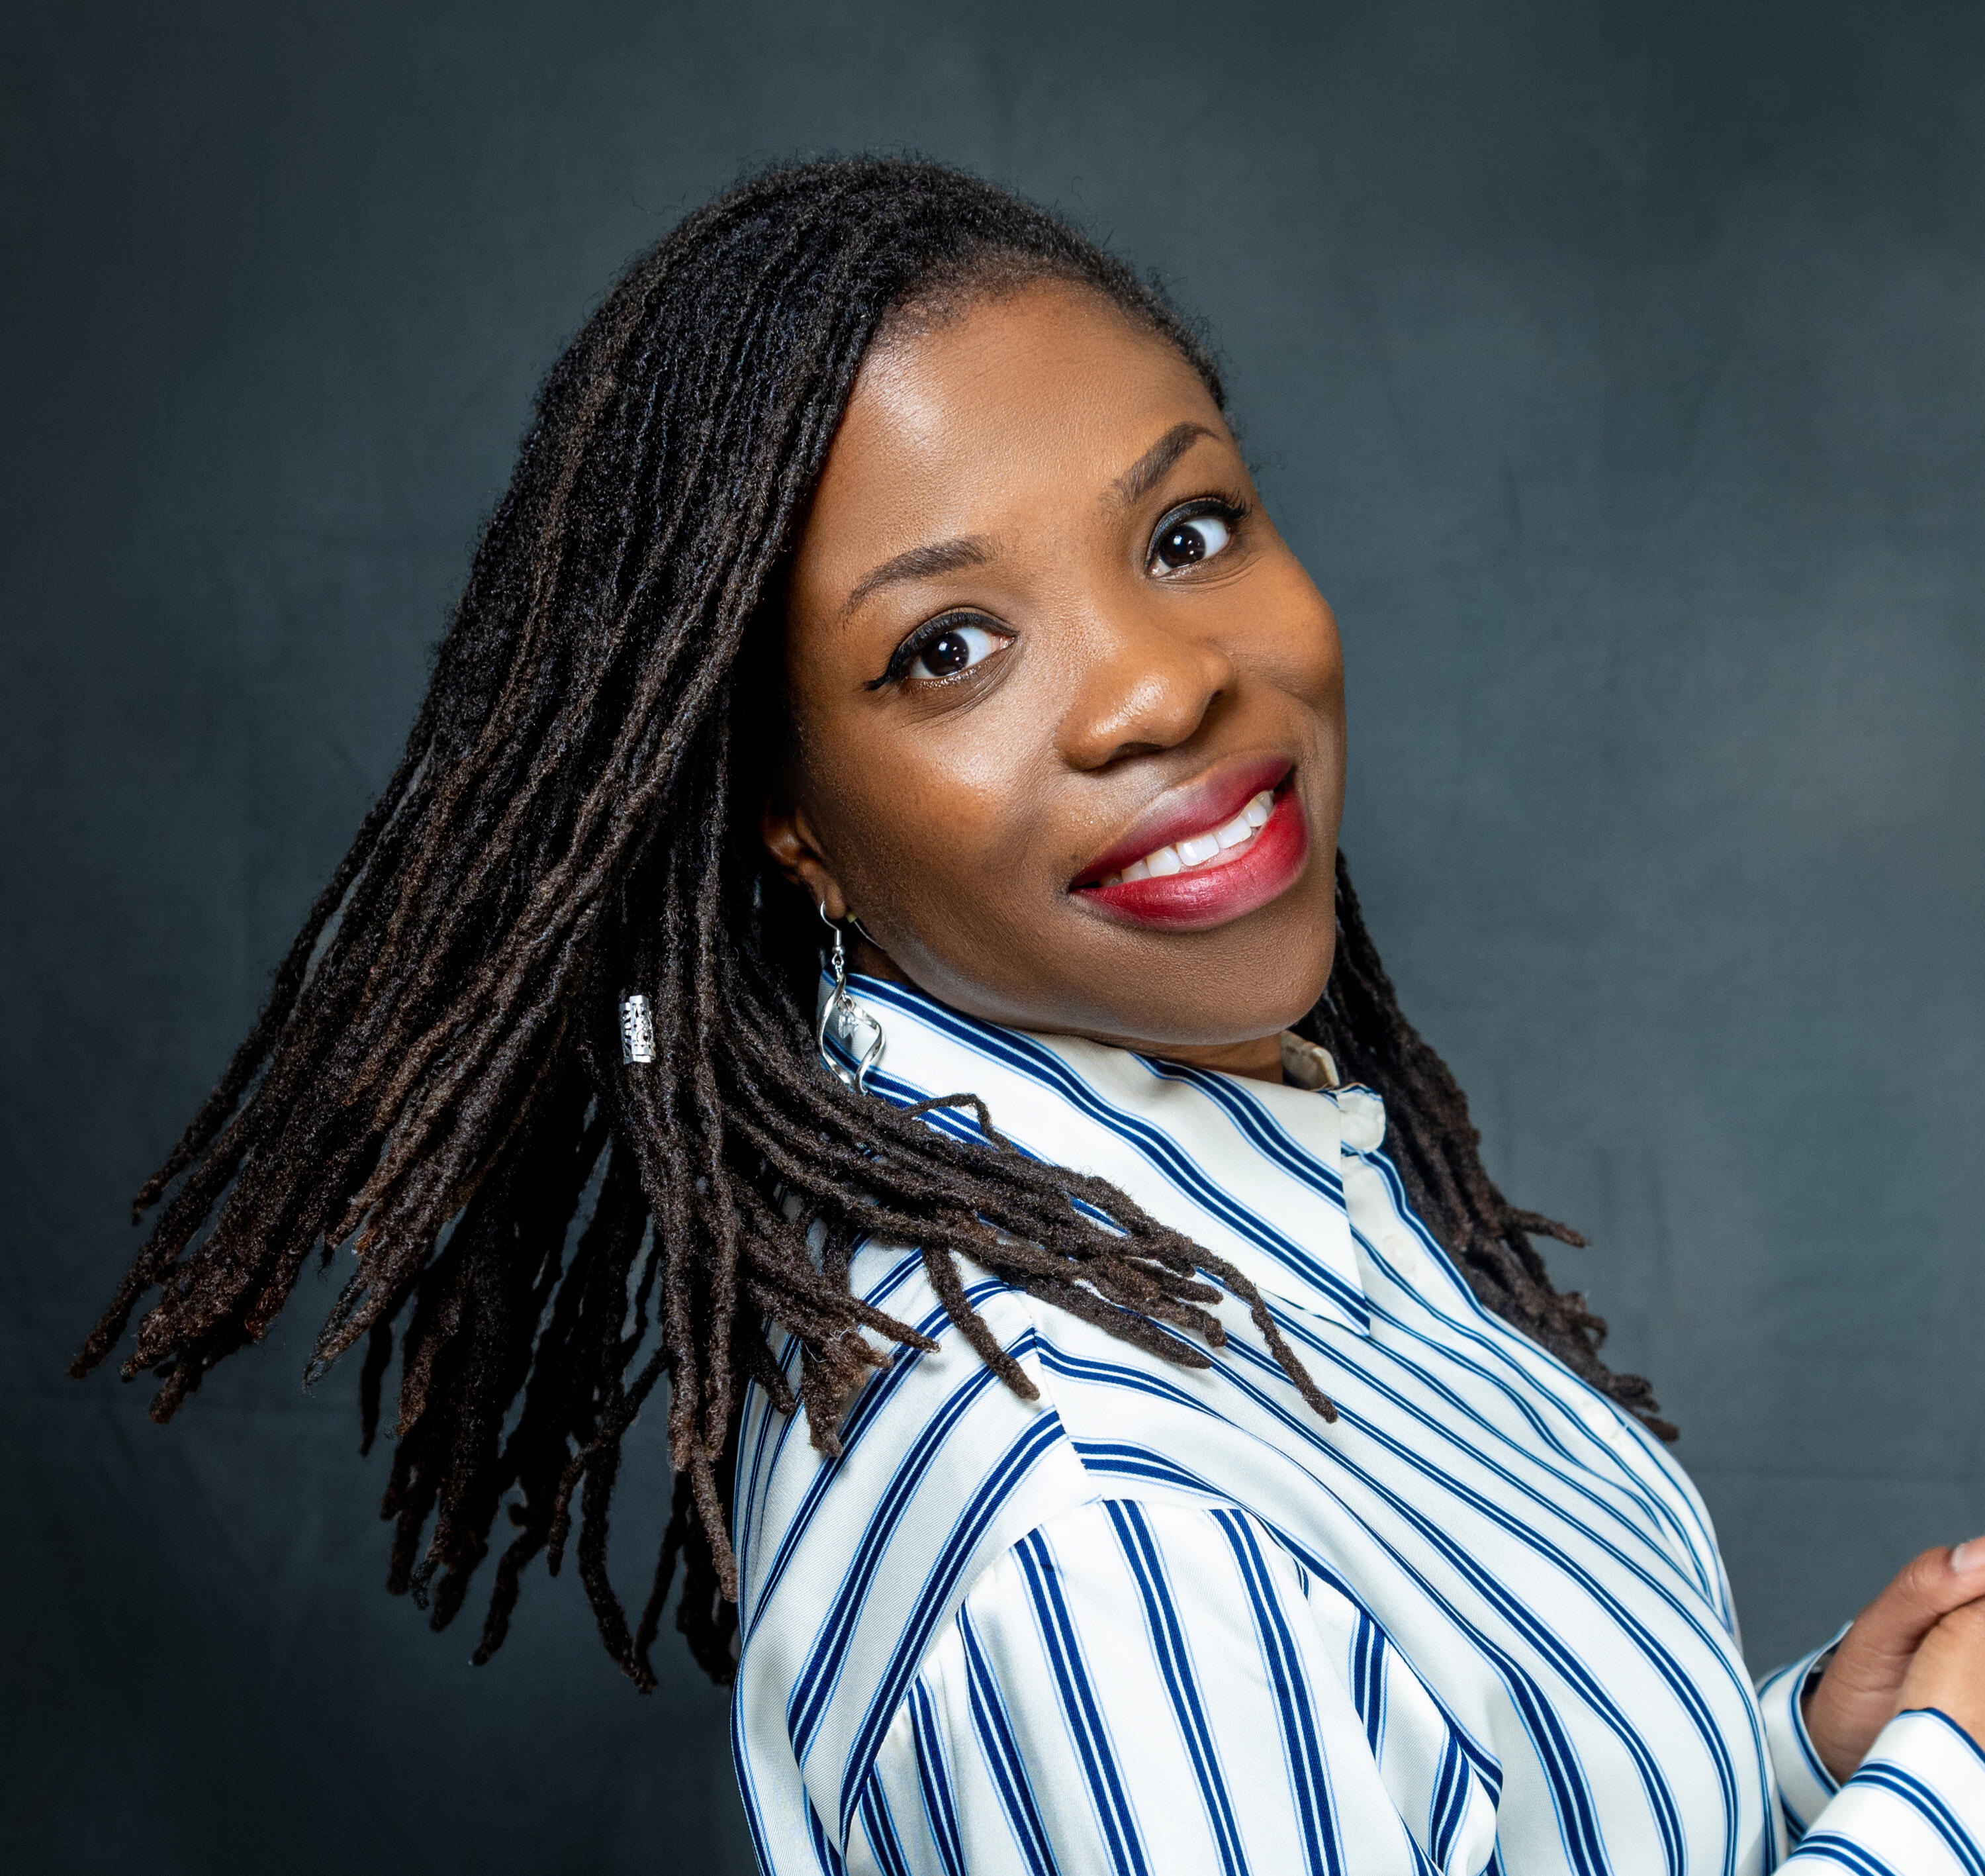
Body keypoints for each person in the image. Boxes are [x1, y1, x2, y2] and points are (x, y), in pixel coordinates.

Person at [78, 158, 1984, 1872]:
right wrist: (1946, 1805)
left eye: (1185, 533)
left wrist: (1805, 1764)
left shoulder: (1228, 1202)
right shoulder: (1086, 1512)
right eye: (949, 648)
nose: (1159, 686)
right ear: (792, 822)